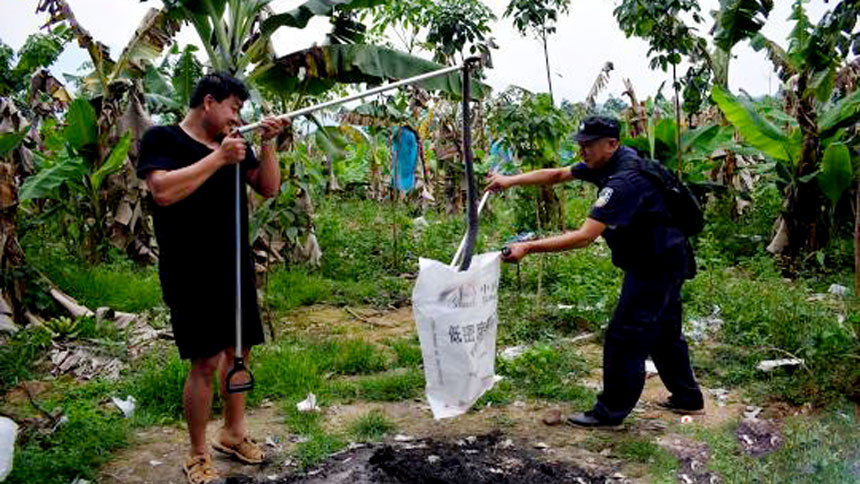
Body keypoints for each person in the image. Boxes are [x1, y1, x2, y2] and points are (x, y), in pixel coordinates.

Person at [485, 116, 704, 428]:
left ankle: (610, 413)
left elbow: (585, 236)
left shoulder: (625, 181)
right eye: (581, 144)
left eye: (588, 145)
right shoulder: (610, 161)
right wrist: (510, 180)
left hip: (654, 265)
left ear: (611, 144)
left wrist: (529, 247)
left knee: (625, 336)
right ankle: (688, 399)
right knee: (664, 334)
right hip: (666, 257)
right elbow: (558, 174)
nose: (582, 150)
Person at [137, 72, 288, 483]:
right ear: (208, 102)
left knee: (240, 351)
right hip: (190, 269)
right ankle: (197, 452)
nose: (237, 117)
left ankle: (233, 433)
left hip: (234, 264)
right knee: (204, 360)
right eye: (233, 108)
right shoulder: (162, 140)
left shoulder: (236, 145)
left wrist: (268, 143)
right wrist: (220, 158)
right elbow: (163, 191)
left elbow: (269, 188)